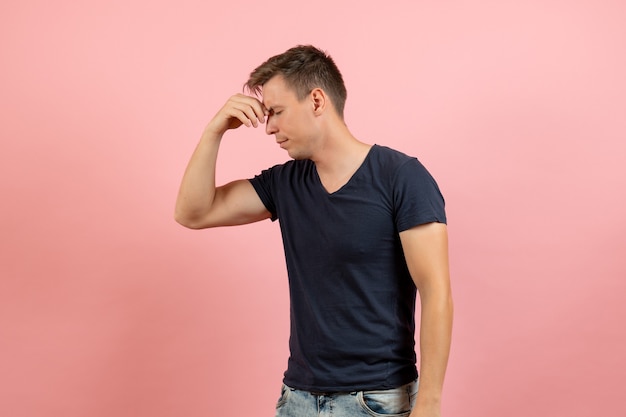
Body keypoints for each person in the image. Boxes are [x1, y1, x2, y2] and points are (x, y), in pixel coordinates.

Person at [175, 45, 453, 417]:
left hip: (375, 402)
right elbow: (194, 212)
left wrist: (430, 404)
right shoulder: (285, 183)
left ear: (317, 101)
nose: (269, 126)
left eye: (276, 111)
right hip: (298, 399)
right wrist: (214, 131)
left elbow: (436, 292)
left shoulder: (401, 177)